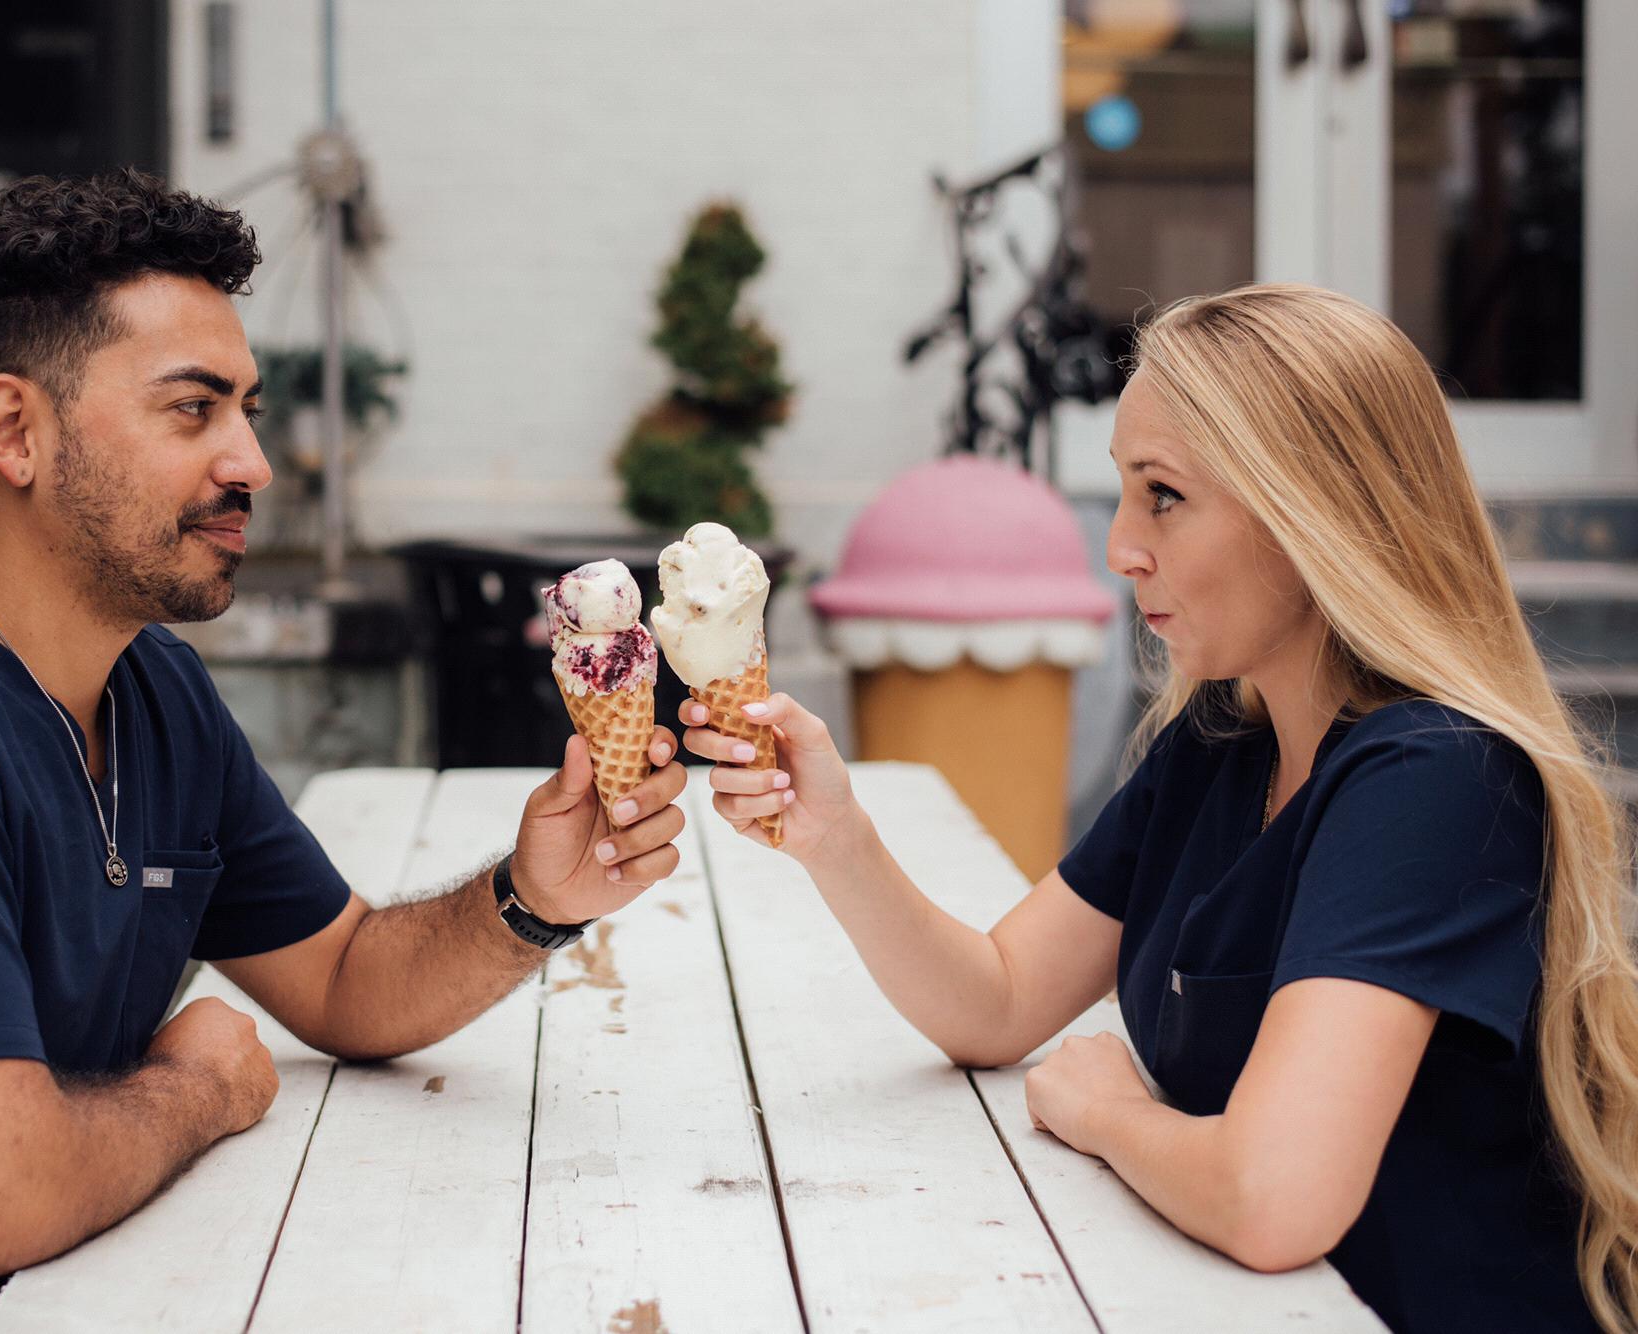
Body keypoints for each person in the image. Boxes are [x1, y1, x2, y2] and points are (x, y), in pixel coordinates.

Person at [0, 169, 687, 1333]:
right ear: (14, 431)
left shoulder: (151, 687)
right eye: (194, 409)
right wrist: (198, 1083)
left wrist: (532, 896)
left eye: (247, 409)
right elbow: (1, 1192)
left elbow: (343, 976)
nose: (252, 463)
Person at [684, 284, 1638, 1333]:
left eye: (1164, 496)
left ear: (1311, 513)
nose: (1121, 547)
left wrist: (1109, 1112)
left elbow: (1272, 1199)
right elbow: (999, 1000)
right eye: (1124, 492)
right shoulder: (1224, 739)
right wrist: (835, 838)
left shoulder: (1434, 777)